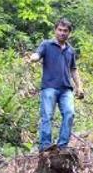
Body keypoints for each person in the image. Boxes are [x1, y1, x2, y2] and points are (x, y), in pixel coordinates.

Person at [27, 18, 84, 152]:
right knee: (47, 116)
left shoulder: (70, 50)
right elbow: (37, 54)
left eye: (65, 31)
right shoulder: (46, 45)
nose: (62, 33)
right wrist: (33, 58)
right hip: (49, 87)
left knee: (69, 113)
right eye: (59, 30)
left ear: (69, 33)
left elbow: (73, 69)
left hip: (66, 89)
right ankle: (45, 146)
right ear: (55, 30)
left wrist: (79, 87)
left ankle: (62, 146)